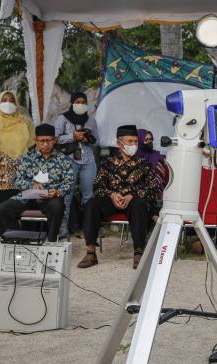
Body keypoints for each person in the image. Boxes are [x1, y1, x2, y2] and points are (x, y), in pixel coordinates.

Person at [78, 125, 159, 269]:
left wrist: (132, 195)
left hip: (133, 203)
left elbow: (153, 188)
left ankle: (138, 253)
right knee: (91, 204)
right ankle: (90, 253)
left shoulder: (144, 165)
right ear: (119, 143)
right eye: (130, 141)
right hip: (111, 201)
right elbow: (97, 187)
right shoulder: (107, 164)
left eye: (135, 141)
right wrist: (112, 195)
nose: (133, 145)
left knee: (140, 204)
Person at [0, 124, 74, 242]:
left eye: (49, 140)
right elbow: (17, 180)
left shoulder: (63, 159)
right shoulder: (27, 157)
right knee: (2, 209)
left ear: (55, 140)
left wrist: (58, 192)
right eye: (41, 141)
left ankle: (51, 242)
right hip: (29, 195)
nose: (45, 144)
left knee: (57, 206)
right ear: (35, 141)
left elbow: (69, 182)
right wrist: (32, 185)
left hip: (50, 197)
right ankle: (17, 239)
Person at [0, 91, 35, 244]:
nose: (8, 102)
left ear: (16, 103)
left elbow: (32, 148)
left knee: (14, 205)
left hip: (18, 174)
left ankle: (16, 235)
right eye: (4, 100)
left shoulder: (25, 123)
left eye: (11, 100)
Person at [55, 91, 99, 238]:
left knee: (89, 196)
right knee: (67, 195)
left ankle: (90, 229)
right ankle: (63, 229)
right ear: (72, 103)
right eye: (78, 102)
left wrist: (88, 139)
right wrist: (72, 136)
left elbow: (97, 141)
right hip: (69, 160)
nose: (81, 105)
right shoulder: (63, 118)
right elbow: (55, 139)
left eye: (83, 102)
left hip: (88, 160)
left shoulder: (91, 120)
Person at [135, 129, 170, 223]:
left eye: (151, 139)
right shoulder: (134, 157)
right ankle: (154, 217)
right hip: (138, 193)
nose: (149, 142)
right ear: (139, 140)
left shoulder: (157, 156)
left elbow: (163, 176)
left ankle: (154, 217)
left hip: (157, 192)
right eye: (146, 140)